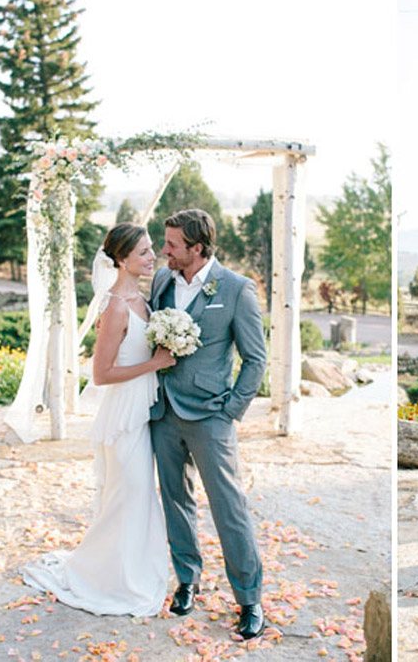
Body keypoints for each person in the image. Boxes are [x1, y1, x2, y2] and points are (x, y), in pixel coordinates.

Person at [22, 224, 176, 615]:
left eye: (151, 249)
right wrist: (154, 363)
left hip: (143, 413)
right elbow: (101, 374)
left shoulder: (142, 298)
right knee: (128, 495)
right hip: (123, 417)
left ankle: (134, 571)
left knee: (137, 496)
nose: (151, 256)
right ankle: (111, 579)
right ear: (121, 260)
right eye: (143, 252)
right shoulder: (116, 305)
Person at [149, 209, 269, 640]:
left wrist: (231, 410)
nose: (165, 250)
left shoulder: (236, 290)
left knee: (229, 507)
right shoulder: (163, 282)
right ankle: (188, 580)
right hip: (163, 413)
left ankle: (250, 599)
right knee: (175, 498)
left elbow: (256, 359)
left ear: (197, 249)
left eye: (172, 245)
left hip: (211, 416)